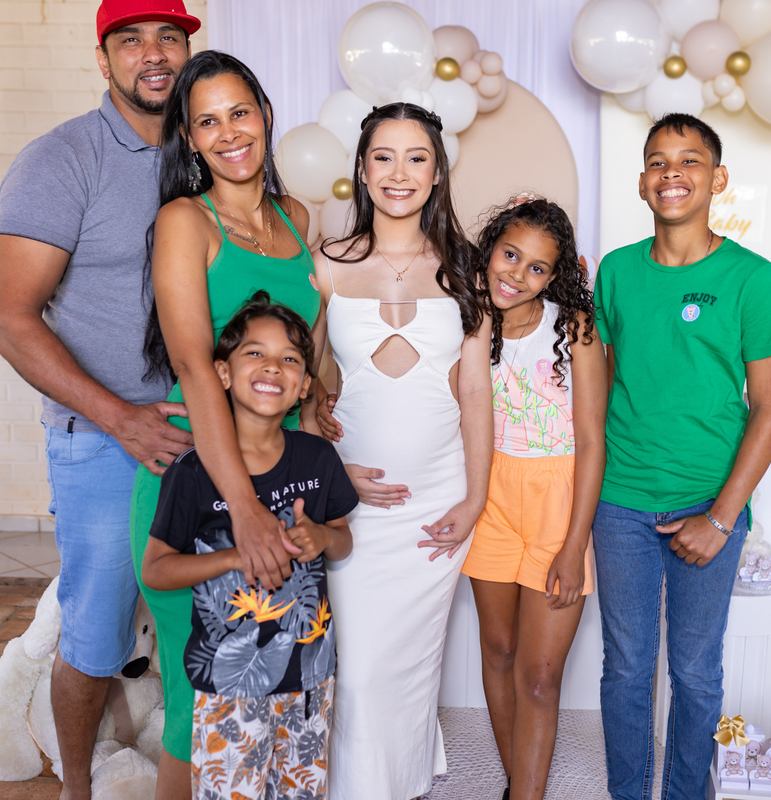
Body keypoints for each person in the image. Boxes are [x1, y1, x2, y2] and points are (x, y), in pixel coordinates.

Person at [0, 2, 198, 797]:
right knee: (98, 632)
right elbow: (10, 320)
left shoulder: (208, 150)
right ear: (103, 58)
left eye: (169, 36)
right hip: (105, 439)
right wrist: (122, 419)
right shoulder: (62, 159)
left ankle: (181, 770)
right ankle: (77, 787)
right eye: (131, 40)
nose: (154, 54)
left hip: (205, 431)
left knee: (197, 622)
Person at [131, 50, 320, 798]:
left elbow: (305, 350)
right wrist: (243, 507)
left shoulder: (296, 217)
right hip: (207, 488)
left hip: (284, 480)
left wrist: (322, 401)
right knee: (199, 708)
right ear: (188, 137)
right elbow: (192, 365)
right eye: (207, 122)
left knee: (269, 696)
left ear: (265, 115)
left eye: (239, 112)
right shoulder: (186, 221)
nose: (229, 133)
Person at [591, 112, 771, 800]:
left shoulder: (750, 277)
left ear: (718, 179)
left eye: (689, 161)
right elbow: (604, 385)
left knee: (696, 672)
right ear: (641, 183)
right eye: (657, 161)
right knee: (626, 668)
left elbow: (770, 407)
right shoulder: (617, 271)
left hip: (710, 501)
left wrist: (721, 517)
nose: (671, 173)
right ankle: (628, 793)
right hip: (620, 500)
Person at [313, 102, 493, 800]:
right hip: (352, 505)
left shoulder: (467, 268)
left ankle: (404, 782)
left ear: (437, 172)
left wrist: (474, 498)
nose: (399, 172)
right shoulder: (326, 264)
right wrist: (332, 473)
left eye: (417, 157)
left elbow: (475, 392)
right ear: (361, 170)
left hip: (436, 498)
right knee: (358, 665)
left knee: (414, 661)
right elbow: (300, 384)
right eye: (383, 157)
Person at [141, 293, 357, 800]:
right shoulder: (193, 472)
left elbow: (342, 540)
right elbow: (156, 569)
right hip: (227, 685)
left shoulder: (318, 458)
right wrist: (237, 556)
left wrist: (322, 537)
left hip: (310, 676)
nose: (272, 367)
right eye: (255, 353)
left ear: (305, 385)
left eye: (290, 359)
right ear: (222, 372)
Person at [461, 197, 607, 800]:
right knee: (498, 649)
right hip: (490, 497)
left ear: (555, 276)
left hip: (557, 503)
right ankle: (517, 784)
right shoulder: (465, 319)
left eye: (537, 267)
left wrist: (574, 546)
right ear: (490, 249)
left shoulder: (575, 329)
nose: (517, 274)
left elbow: (593, 442)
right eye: (510, 255)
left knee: (541, 677)